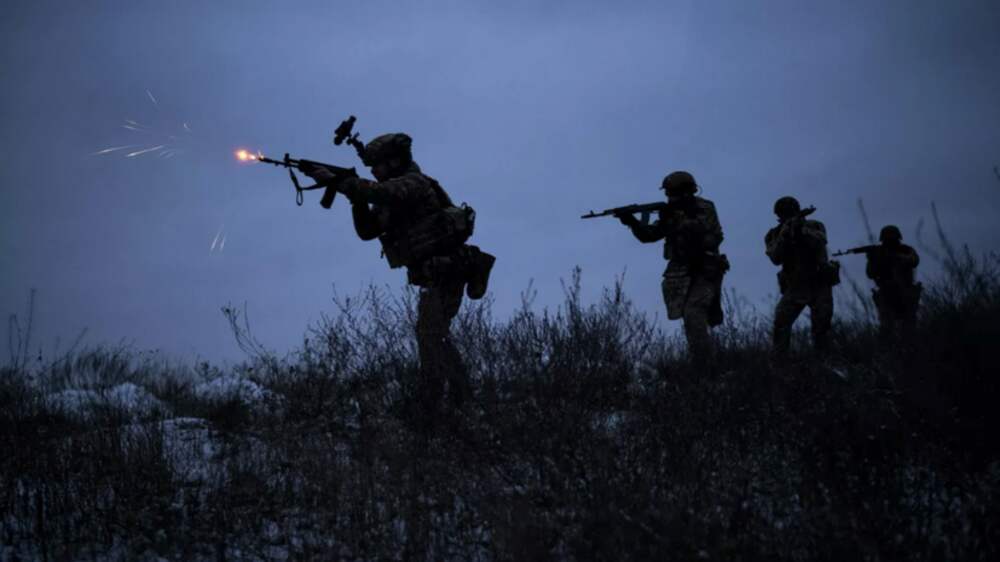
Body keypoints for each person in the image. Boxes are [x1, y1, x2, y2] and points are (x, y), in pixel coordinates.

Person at [301, 133, 495, 414]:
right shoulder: (391, 195)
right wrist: (355, 198)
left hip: (447, 268)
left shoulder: (413, 184)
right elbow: (368, 230)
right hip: (431, 274)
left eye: (377, 166)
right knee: (432, 335)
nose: (373, 172)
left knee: (431, 335)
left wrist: (341, 183)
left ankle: (440, 404)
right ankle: (457, 400)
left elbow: (378, 192)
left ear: (394, 162)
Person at [617, 171, 728, 363]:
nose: (669, 197)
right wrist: (633, 222)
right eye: (668, 194)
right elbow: (650, 236)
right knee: (688, 315)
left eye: (672, 193)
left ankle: (705, 365)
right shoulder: (670, 213)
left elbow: (711, 237)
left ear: (686, 191)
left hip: (705, 268)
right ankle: (703, 362)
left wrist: (677, 218)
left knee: (694, 313)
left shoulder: (704, 207)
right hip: (681, 272)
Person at [765, 196, 840, 358]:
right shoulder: (774, 233)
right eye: (784, 213)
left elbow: (820, 241)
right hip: (795, 285)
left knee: (822, 326)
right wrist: (786, 233)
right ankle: (780, 362)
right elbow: (775, 258)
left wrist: (800, 230)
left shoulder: (814, 225)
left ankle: (825, 361)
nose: (787, 215)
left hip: (819, 281)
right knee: (781, 322)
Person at [866, 225, 921, 342]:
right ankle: (888, 349)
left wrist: (895, 257)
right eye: (887, 240)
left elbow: (914, 261)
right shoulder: (878, 253)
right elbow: (870, 274)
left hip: (905, 291)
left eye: (891, 239)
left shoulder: (906, 250)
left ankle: (910, 347)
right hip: (886, 293)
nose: (889, 241)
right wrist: (872, 260)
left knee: (909, 327)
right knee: (886, 328)